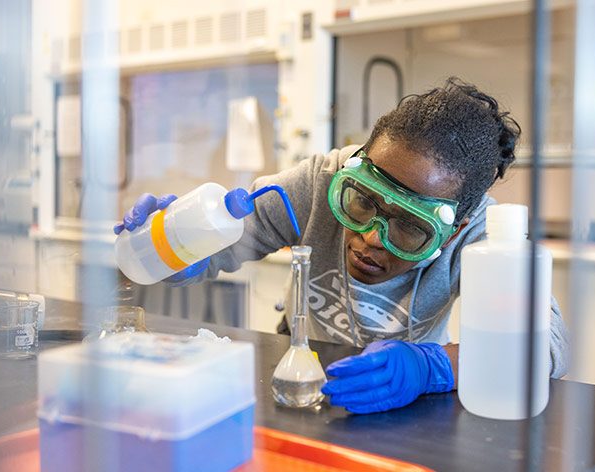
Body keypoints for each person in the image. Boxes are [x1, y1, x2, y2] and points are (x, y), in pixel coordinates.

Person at [115, 77, 569, 414]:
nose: (372, 237)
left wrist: (432, 368)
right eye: (362, 201)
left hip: (407, 402)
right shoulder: (318, 181)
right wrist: (173, 241)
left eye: (410, 228)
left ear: (454, 227)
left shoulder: (484, 235)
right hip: (302, 380)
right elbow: (209, 253)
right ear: (353, 170)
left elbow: (548, 345)